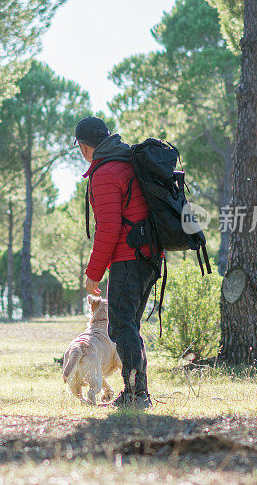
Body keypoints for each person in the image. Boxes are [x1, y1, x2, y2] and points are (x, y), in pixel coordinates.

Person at [75, 116, 160, 409]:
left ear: (85, 146)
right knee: (129, 327)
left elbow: (109, 228)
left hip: (128, 258)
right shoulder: (126, 163)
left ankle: (137, 395)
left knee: (121, 328)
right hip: (150, 257)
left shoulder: (106, 172)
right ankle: (138, 391)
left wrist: (93, 272)